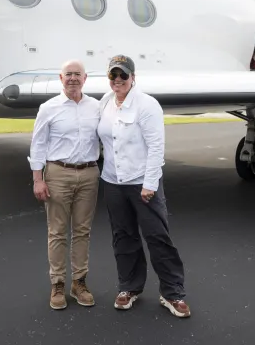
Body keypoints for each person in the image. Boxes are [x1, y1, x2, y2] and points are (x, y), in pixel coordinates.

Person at [97, 54, 191, 318]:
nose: (118, 80)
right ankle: (129, 287)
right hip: (113, 183)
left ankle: (173, 293)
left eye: (123, 75)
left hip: (142, 183)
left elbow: (155, 146)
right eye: (113, 75)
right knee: (123, 237)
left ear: (133, 77)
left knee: (158, 237)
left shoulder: (147, 105)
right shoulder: (105, 102)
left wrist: (150, 183)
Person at [27, 59, 101, 310]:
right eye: (68, 74)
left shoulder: (96, 107)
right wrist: (38, 179)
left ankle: (79, 282)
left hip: (89, 174)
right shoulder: (49, 108)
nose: (72, 78)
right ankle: (57, 283)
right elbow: (37, 144)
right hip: (58, 173)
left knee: (82, 231)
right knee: (57, 231)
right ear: (60, 79)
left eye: (77, 74)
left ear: (85, 78)